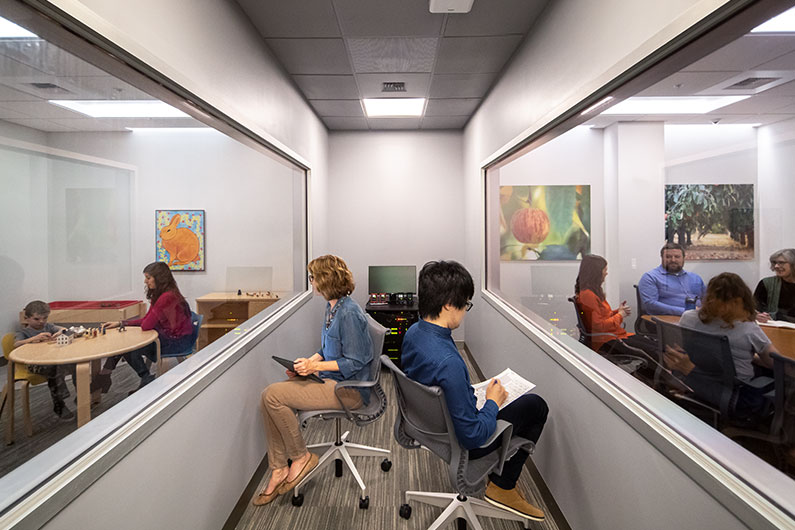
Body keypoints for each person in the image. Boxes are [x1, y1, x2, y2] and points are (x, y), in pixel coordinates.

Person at [400, 260, 547, 522]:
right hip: (459, 439)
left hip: (426, 425)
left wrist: (471, 393)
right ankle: (503, 486)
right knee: (535, 406)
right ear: (448, 304)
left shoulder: (413, 333)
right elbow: (473, 436)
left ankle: (500, 477)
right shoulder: (450, 362)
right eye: (465, 304)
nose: (466, 311)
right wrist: (491, 402)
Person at [253, 255, 373, 506]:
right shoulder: (333, 307)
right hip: (330, 380)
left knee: (273, 396)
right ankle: (278, 468)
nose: (311, 282)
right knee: (268, 397)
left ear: (325, 280)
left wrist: (314, 367)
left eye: (313, 277)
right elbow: (327, 347)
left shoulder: (349, 313)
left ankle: (301, 457)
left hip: (348, 390)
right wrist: (305, 365)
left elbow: (356, 361)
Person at [665, 272, 776, 420]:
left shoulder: (688, 318)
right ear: (741, 300)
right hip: (735, 395)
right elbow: (775, 362)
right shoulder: (748, 329)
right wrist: (753, 356)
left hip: (693, 381)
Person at [96, 262, 194, 396]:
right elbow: (147, 321)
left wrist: (127, 324)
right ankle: (106, 377)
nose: (145, 281)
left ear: (159, 278)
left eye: (148, 278)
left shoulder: (166, 297)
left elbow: (147, 324)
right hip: (171, 337)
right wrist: (121, 323)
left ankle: (140, 378)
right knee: (125, 345)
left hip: (176, 341)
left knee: (126, 346)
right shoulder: (163, 294)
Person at [575, 254, 657, 357]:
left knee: (655, 346)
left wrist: (617, 312)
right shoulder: (588, 295)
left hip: (612, 337)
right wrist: (620, 315)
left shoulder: (590, 293)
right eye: (604, 270)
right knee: (654, 350)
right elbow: (598, 327)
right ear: (595, 273)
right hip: (607, 341)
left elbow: (601, 317)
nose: (606, 273)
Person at [13, 301, 75, 420]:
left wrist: (59, 332)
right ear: (26, 319)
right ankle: (59, 403)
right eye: (36, 319)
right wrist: (33, 339)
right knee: (54, 369)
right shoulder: (23, 332)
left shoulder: (49, 327)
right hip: (33, 364)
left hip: (51, 360)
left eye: (44, 318)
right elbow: (16, 344)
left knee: (74, 364)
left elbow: (64, 329)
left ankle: (82, 397)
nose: (41, 322)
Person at [638, 243, 706, 316]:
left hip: (699, 317)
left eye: (677, 257)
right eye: (668, 257)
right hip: (668, 320)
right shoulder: (650, 277)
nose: (673, 260)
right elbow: (651, 305)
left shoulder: (695, 278)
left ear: (683, 258)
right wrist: (685, 312)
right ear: (662, 258)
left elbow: (708, 299)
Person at [754, 248, 795, 323]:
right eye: (774, 263)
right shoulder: (766, 283)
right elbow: (754, 309)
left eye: (781, 263)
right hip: (772, 328)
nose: (776, 266)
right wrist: (758, 316)